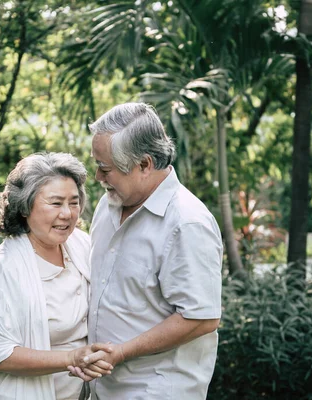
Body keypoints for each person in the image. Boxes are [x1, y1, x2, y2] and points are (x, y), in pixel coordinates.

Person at [70, 103, 223, 399]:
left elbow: (202, 318)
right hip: (103, 390)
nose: (99, 178)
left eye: (106, 169)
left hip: (156, 390)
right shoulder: (108, 205)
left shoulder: (187, 223)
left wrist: (121, 352)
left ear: (144, 165)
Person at [0, 152, 113, 400]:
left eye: (73, 202)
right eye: (56, 203)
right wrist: (71, 358)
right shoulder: (6, 268)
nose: (68, 214)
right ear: (25, 206)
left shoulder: (81, 245)